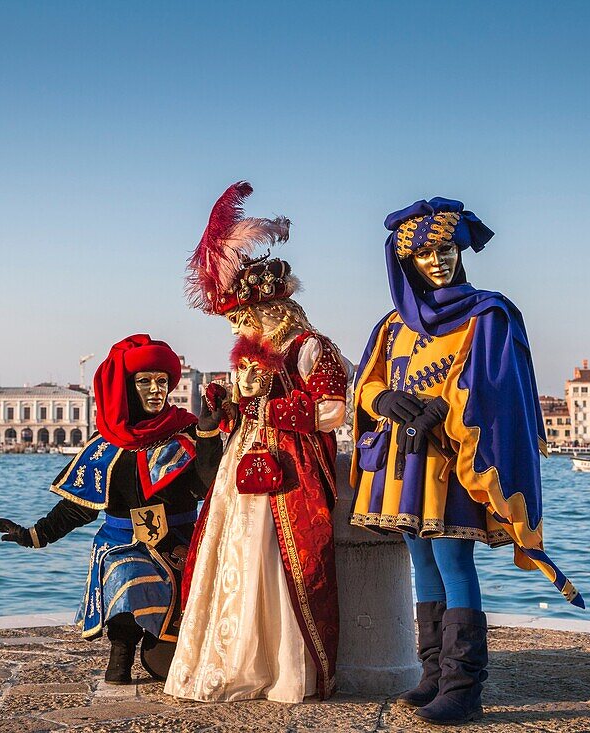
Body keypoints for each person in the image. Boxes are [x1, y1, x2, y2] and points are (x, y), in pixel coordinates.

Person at [351, 197, 584, 725]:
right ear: (407, 262)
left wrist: (443, 407)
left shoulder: (488, 314)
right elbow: (367, 383)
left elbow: (498, 386)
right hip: (404, 464)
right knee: (423, 564)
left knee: (455, 563)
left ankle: (462, 686)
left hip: (457, 462)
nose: (440, 261)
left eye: (448, 249)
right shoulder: (393, 325)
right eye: (427, 254)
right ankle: (432, 675)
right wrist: (384, 400)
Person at [164, 181, 348, 703]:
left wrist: (269, 408)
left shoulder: (313, 348)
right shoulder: (249, 355)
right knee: (236, 556)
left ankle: (283, 665)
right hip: (243, 467)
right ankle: (233, 656)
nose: (235, 331)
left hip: (292, 473)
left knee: (281, 560)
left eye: (242, 320)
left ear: (270, 312)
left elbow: (335, 410)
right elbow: (241, 416)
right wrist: (227, 410)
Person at [0, 334, 223, 684]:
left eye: (162, 381)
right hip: (121, 543)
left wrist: (208, 436)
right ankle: (121, 653)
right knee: (125, 574)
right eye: (145, 381)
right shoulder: (105, 447)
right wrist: (33, 535)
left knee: (165, 663)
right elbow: (78, 508)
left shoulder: (188, 432)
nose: (157, 390)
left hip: (181, 543)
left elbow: (210, 487)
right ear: (126, 388)